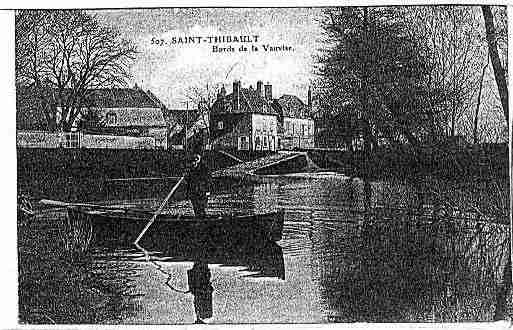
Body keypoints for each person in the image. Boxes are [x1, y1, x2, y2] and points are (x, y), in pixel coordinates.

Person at [184, 153, 211, 218]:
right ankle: (198, 220)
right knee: (196, 207)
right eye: (193, 161)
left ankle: (202, 219)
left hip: (202, 191)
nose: (194, 162)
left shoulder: (204, 168)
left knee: (201, 207)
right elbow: (188, 181)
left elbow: (208, 180)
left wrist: (208, 190)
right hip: (193, 191)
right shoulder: (191, 169)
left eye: (196, 160)